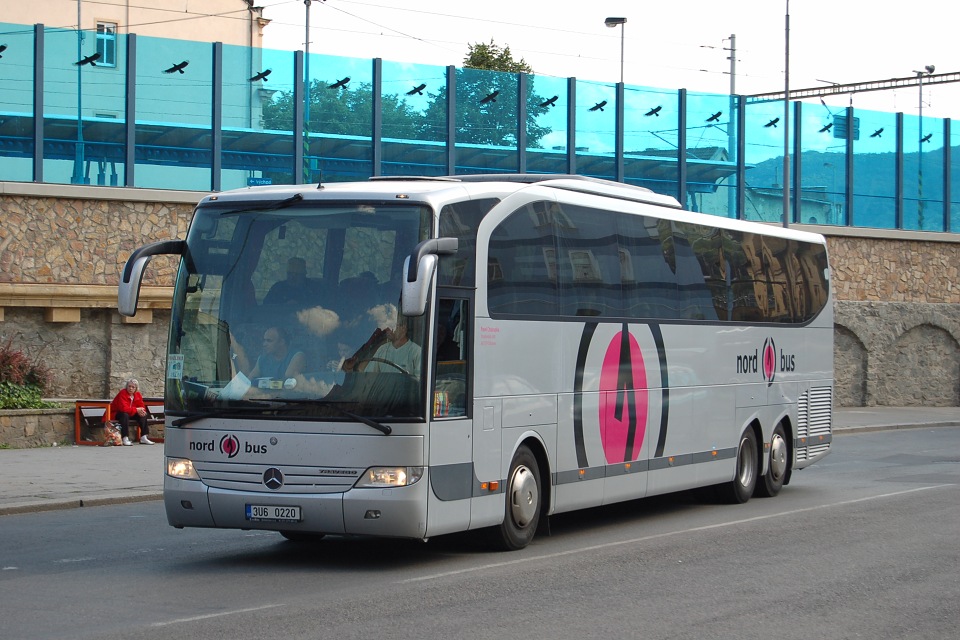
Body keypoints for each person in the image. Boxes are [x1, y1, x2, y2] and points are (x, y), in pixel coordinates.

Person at [109, 378, 153, 446]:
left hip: (130, 412)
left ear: (136, 388)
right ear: (126, 386)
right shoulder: (122, 393)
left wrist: (141, 411)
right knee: (124, 415)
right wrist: (136, 409)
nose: (131, 388)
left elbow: (141, 406)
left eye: (133, 387)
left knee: (143, 414)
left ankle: (144, 437)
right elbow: (123, 408)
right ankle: (125, 438)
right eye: (129, 386)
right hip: (117, 413)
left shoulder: (138, 394)